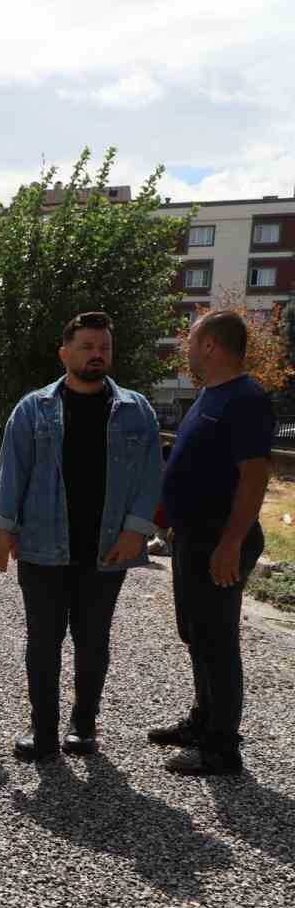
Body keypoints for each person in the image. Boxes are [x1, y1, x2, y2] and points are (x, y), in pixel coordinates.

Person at [0, 312, 162, 760]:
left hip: (107, 548)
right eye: (86, 346)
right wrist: (3, 528)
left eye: (103, 345)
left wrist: (135, 531)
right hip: (43, 547)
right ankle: (43, 730)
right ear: (64, 352)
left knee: (93, 641)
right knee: (43, 641)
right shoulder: (34, 408)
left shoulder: (135, 410)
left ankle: (84, 725)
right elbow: (14, 471)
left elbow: (149, 476)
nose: (96, 354)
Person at [149, 309, 275, 776]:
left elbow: (255, 476)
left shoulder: (245, 398)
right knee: (196, 634)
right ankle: (202, 723)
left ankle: (222, 747)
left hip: (220, 540)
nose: (187, 348)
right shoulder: (211, 396)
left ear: (210, 346)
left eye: (192, 339)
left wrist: (231, 542)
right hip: (193, 537)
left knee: (217, 642)